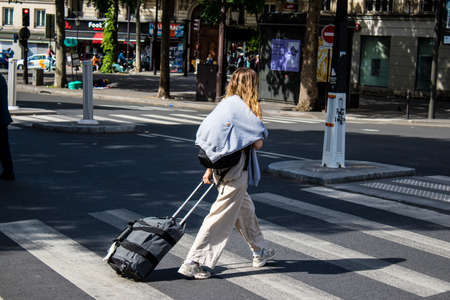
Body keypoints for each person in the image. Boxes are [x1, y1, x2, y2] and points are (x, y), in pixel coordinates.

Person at [178, 68, 274, 280]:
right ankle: (194, 261)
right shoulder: (248, 109)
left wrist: (209, 169)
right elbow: (257, 143)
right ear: (251, 85)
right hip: (236, 169)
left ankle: (259, 251)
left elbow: (217, 139)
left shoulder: (225, 104)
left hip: (219, 167)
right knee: (219, 217)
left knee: (245, 210)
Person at [0, 73, 14, 181]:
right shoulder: (1, 78)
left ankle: (8, 171)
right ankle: (8, 171)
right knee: (4, 147)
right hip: (3, 118)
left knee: (3, 147)